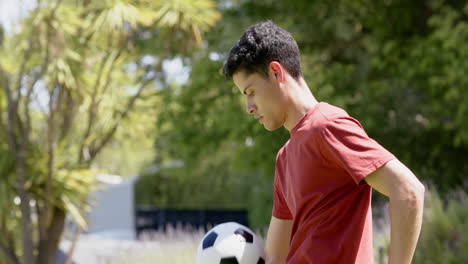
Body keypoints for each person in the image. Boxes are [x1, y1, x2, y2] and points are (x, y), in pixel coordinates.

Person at [223, 20, 425, 264]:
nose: (249, 107)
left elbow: (408, 190)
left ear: (276, 72)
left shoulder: (325, 126)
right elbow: (275, 257)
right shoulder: (285, 158)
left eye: (250, 92)